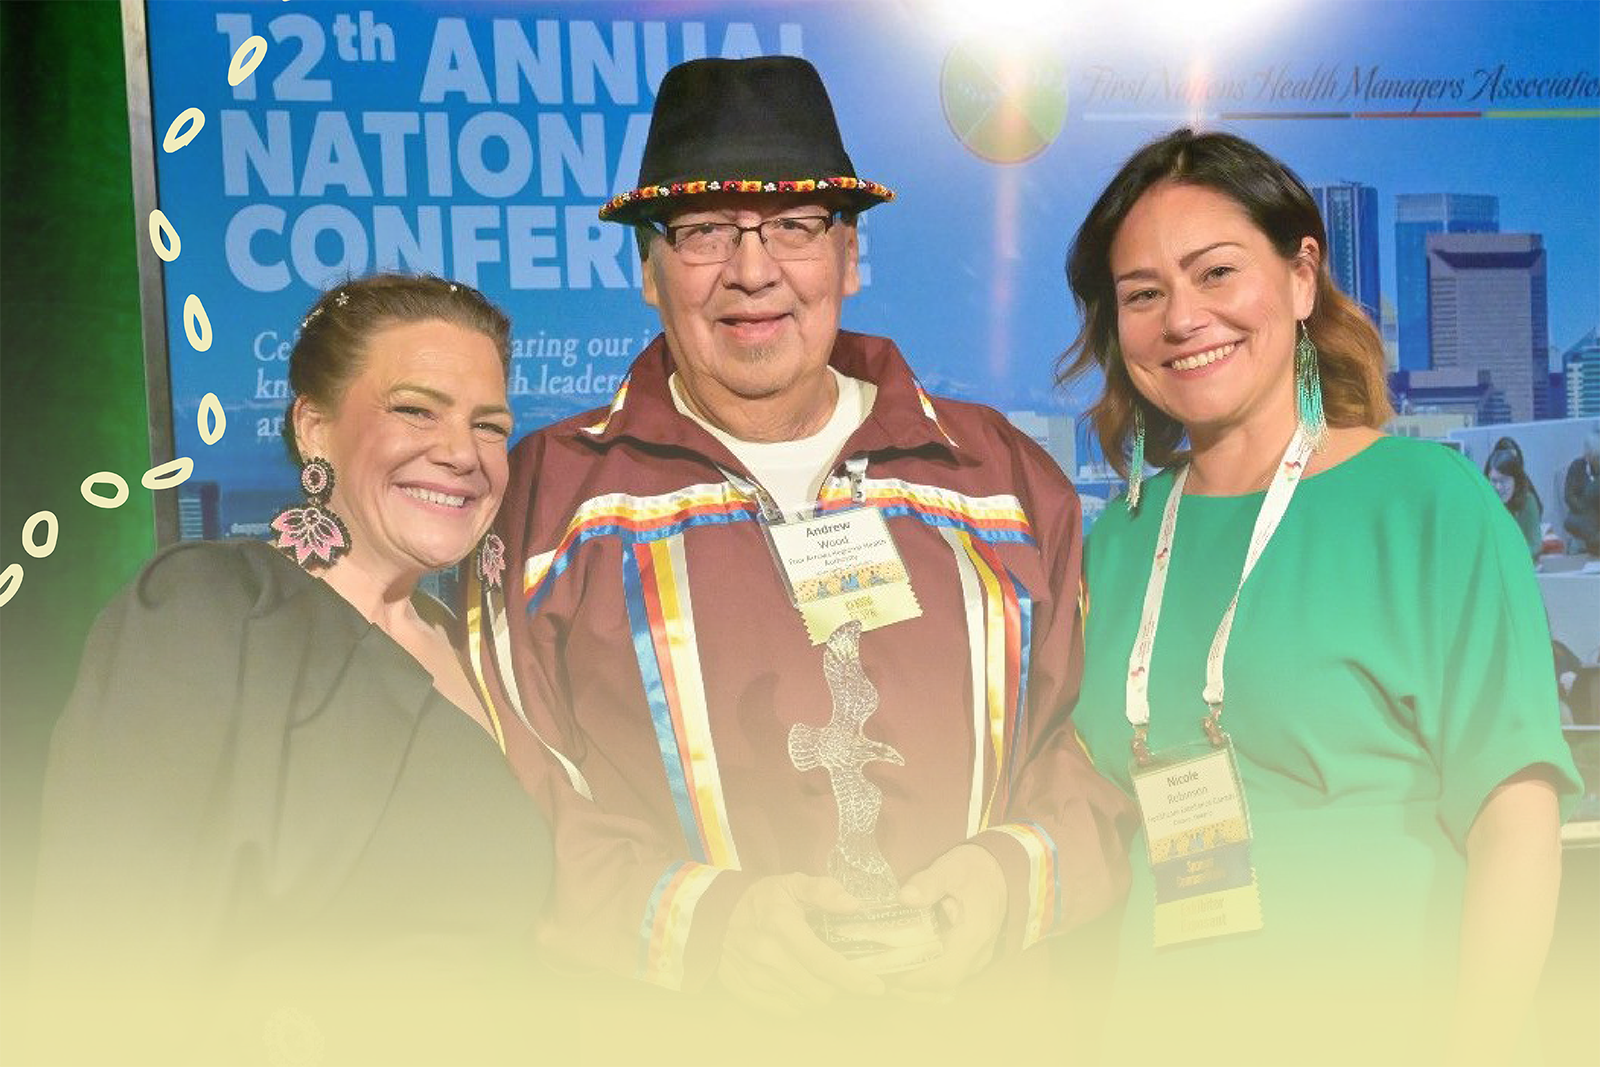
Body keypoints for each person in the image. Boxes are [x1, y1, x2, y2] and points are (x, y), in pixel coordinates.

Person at [472, 56, 1133, 1023]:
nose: (753, 271)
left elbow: (1095, 741)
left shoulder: (1000, 479)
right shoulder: (548, 502)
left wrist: (1004, 879)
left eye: (795, 225)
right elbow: (512, 785)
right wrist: (708, 925)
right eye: (704, 231)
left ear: (849, 255)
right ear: (648, 270)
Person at [1058, 130, 1580, 1064]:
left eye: (1216, 273)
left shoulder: (1428, 504)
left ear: (1301, 278)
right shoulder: (1120, 540)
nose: (1183, 317)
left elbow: (1515, 819)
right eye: (1143, 294)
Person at [30, 274, 552, 1054]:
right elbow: (101, 952)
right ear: (315, 428)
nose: (460, 452)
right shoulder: (213, 614)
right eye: (416, 410)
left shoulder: (489, 650)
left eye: (489, 425)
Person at [1484, 436, 1543, 558]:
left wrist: (1512, 558)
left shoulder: (1528, 501)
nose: (1498, 487)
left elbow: (1535, 544)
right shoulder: (1483, 502)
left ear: (1516, 481)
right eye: (1494, 481)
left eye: (1504, 480)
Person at [1563, 429, 1600, 555]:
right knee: (1576, 525)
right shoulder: (1577, 467)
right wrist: (1585, 509)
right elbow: (1569, 496)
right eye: (1596, 457)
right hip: (1582, 516)